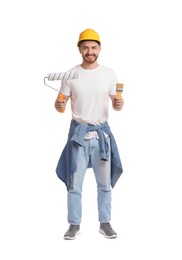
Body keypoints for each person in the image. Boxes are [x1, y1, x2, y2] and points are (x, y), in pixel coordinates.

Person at [55, 28, 124, 240]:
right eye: (85, 47)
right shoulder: (69, 75)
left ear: (100, 48)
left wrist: (119, 103)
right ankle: (74, 224)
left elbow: (117, 103)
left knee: (104, 185)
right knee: (75, 185)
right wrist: (58, 104)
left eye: (94, 47)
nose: (90, 51)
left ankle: (105, 223)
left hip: (102, 137)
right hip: (78, 137)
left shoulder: (109, 74)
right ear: (79, 49)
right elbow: (60, 103)